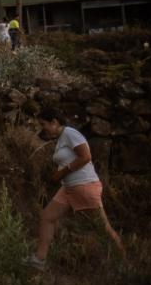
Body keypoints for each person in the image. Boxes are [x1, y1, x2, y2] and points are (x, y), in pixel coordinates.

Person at [28, 108, 125, 269]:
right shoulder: (61, 138)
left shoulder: (70, 133)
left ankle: (123, 263)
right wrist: (61, 175)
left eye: (43, 124)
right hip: (68, 188)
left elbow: (86, 156)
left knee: (103, 228)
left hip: (84, 186)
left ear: (54, 122)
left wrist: (61, 173)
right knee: (47, 217)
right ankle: (40, 259)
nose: (42, 128)